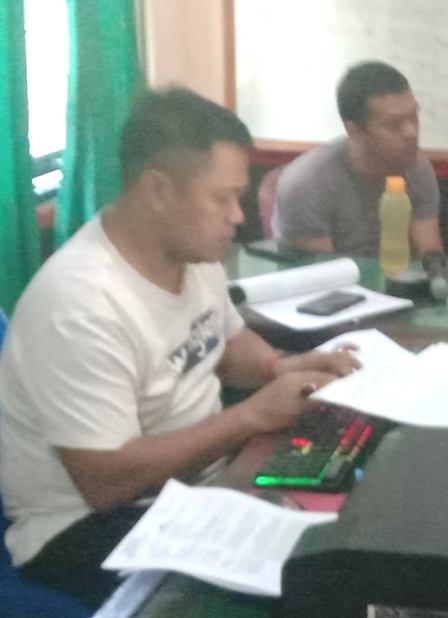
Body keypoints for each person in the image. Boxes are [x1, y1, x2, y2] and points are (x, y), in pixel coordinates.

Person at [0, 88, 362, 608]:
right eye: (222, 198)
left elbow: (226, 345)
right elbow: (106, 482)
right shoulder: (79, 304)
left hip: (192, 489)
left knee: (345, 536)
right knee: (313, 585)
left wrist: (282, 365)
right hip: (88, 527)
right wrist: (250, 417)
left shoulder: (193, 255)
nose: (237, 216)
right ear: (158, 190)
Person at [272, 60, 443, 257]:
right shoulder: (307, 184)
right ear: (354, 131)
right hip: (336, 275)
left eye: (414, 117)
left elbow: (430, 256)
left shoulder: (416, 168)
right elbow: (319, 271)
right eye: (393, 124)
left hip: (397, 274)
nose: (411, 133)